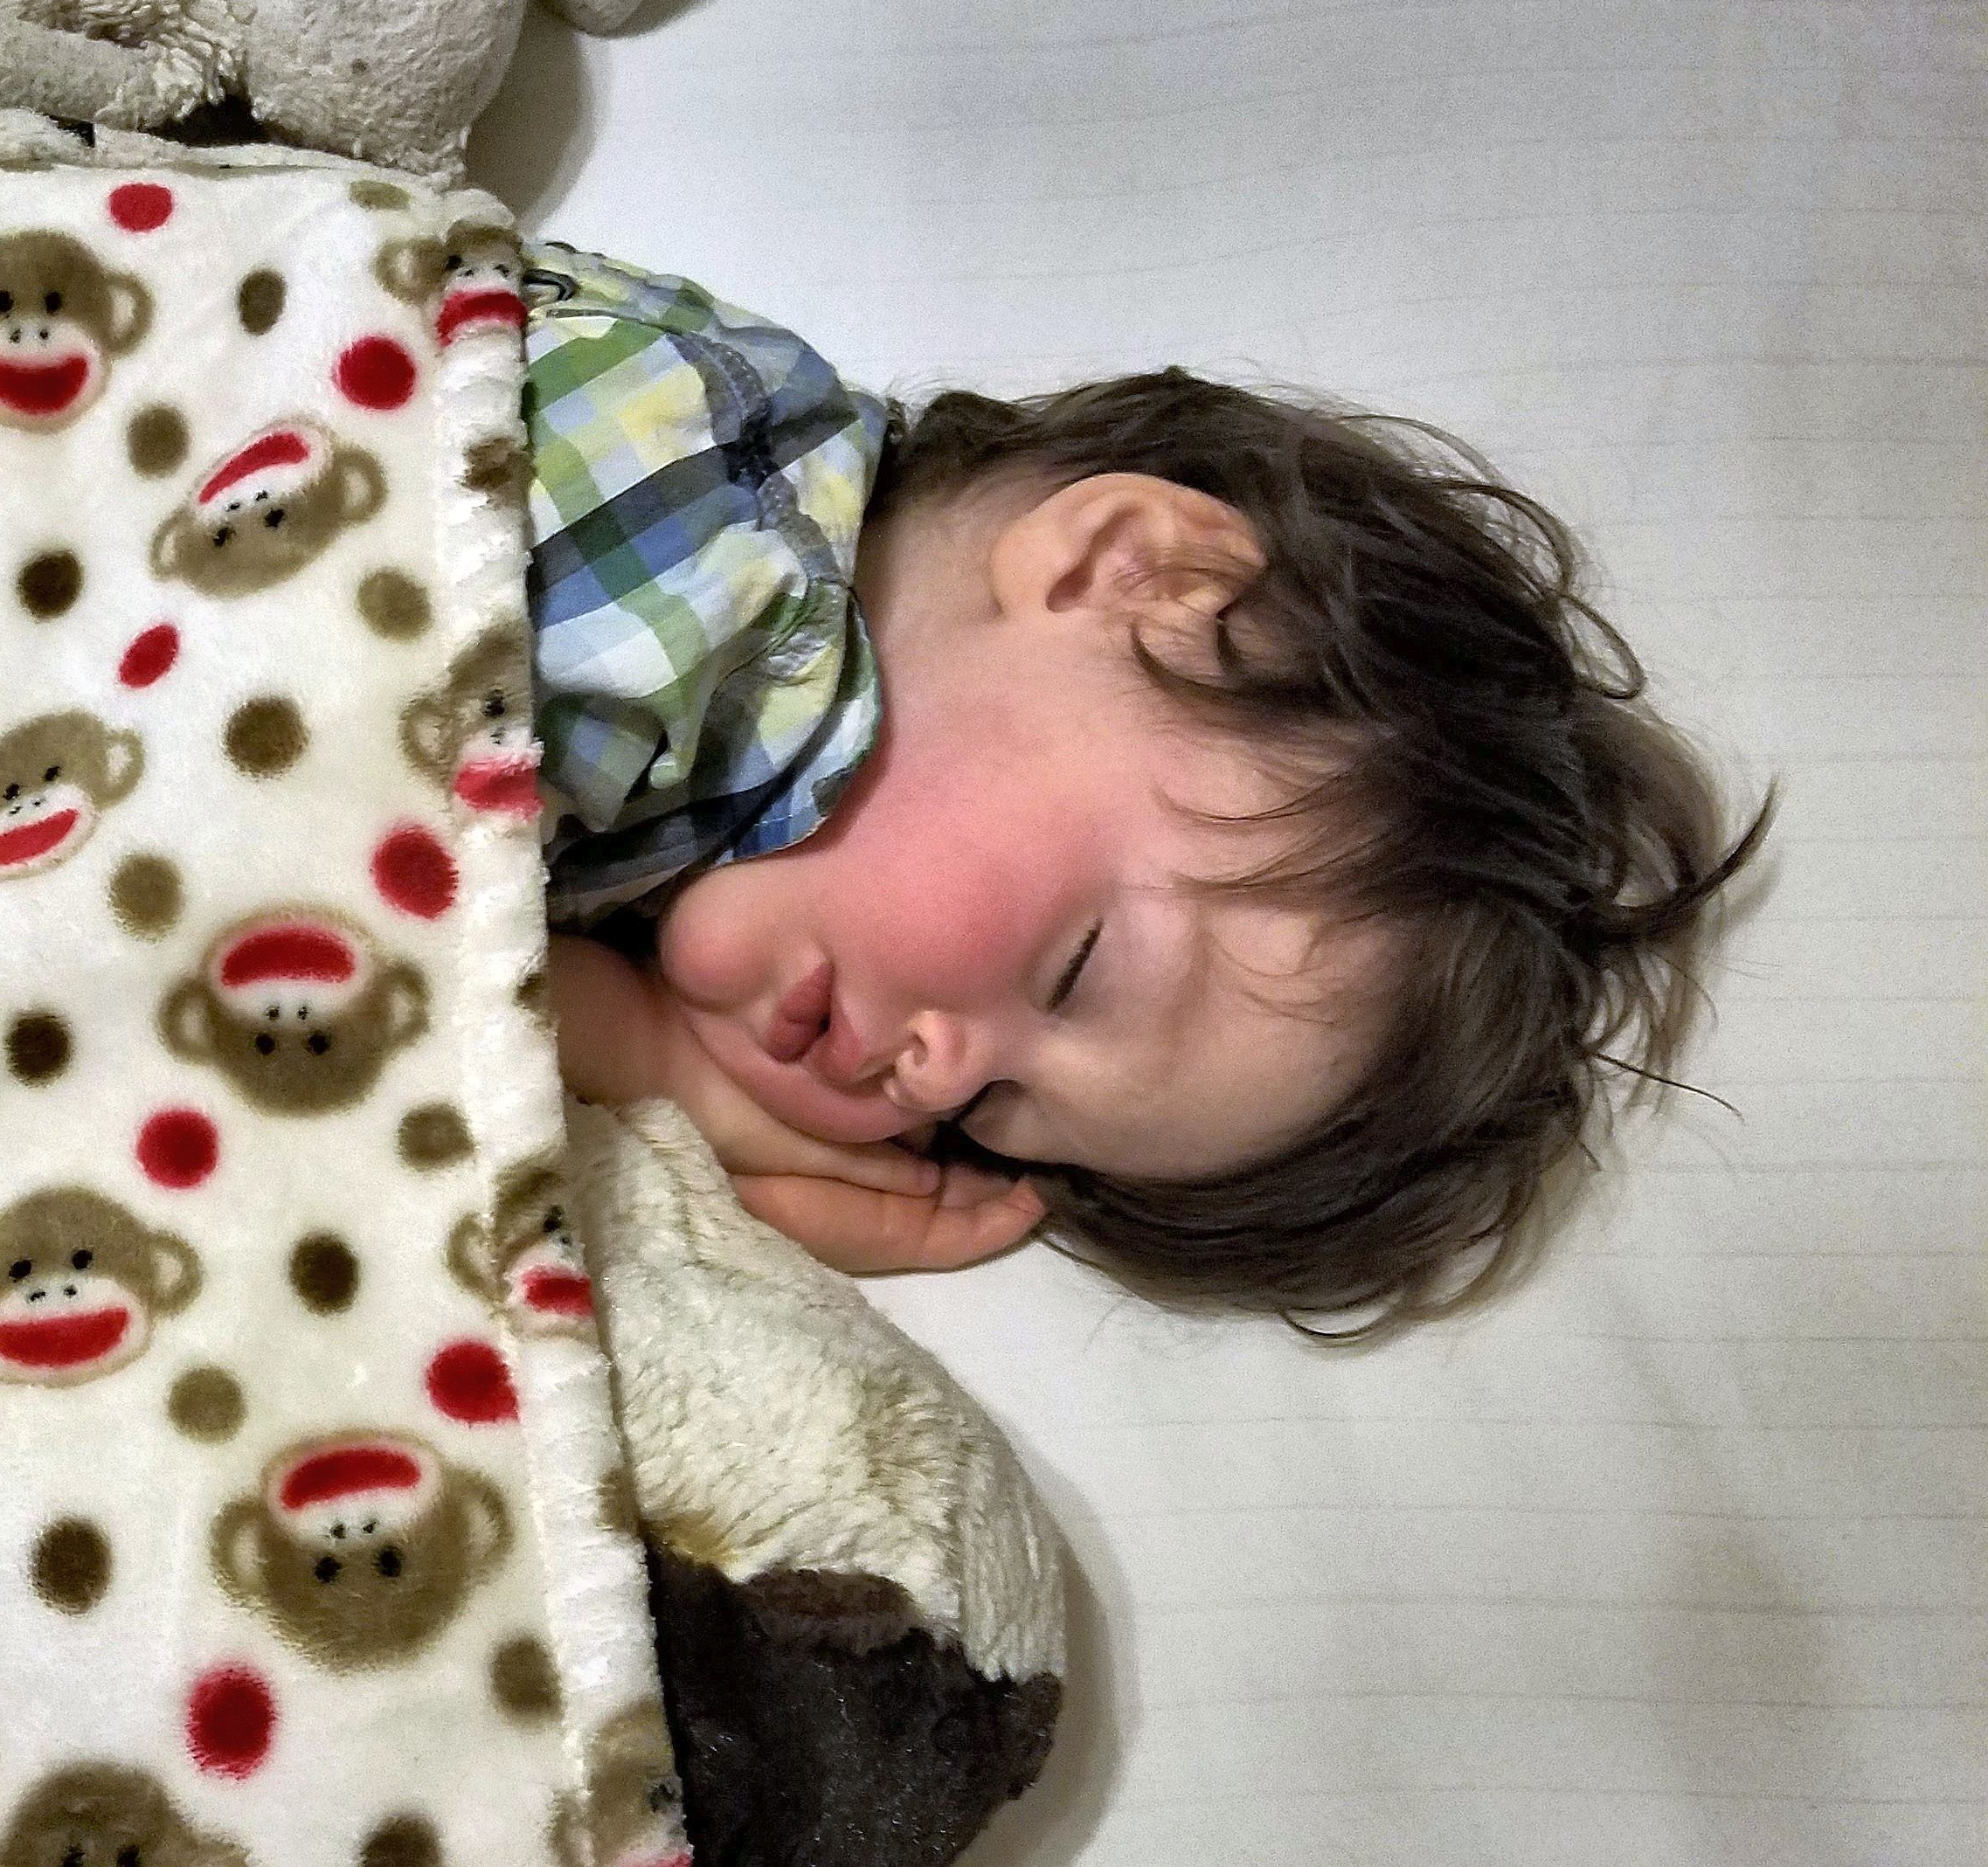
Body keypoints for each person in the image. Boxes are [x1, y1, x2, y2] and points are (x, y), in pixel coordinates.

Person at [526, 245, 1770, 1337]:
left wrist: (646, 1078)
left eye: (994, 1109)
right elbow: (401, 936)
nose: (936, 1083)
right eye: (1073, 970)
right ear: (1128, 575)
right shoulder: (689, 557)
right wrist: (646, 1075)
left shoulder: (681, 792)